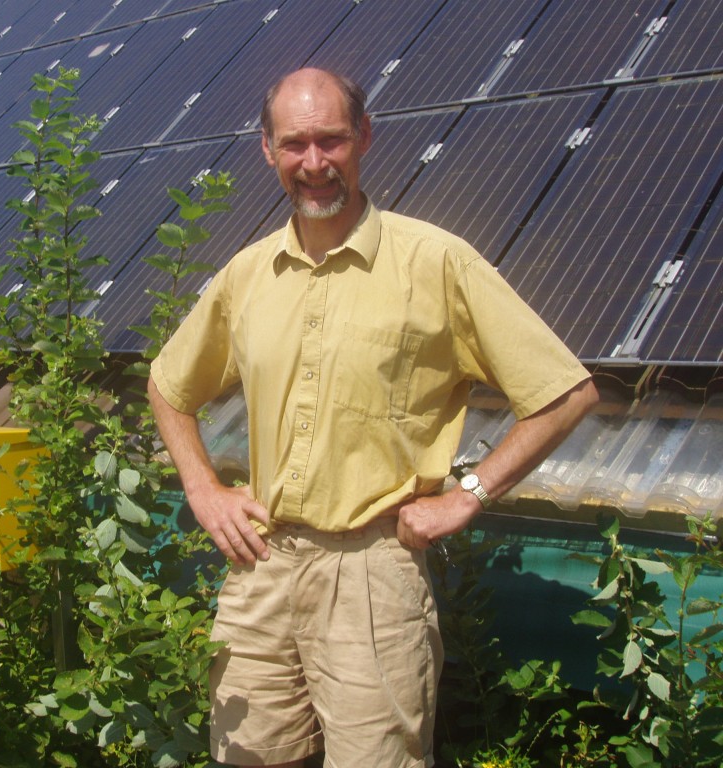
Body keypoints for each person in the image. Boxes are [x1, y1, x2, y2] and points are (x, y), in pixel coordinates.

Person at [147, 68, 598, 768]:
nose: (315, 162)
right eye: (295, 144)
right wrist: (204, 490)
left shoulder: (435, 262)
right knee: (249, 757)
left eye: (332, 139)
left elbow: (565, 393)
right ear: (268, 150)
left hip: (373, 574)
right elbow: (169, 387)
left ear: (364, 138)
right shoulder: (247, 275)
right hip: (261, 565)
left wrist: (468, 496)